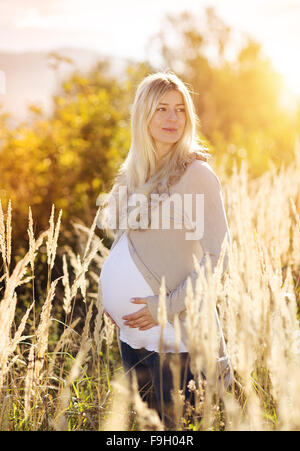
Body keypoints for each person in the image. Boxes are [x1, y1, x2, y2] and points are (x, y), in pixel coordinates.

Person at [97, 71, 233, 428]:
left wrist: (165, 306)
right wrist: (111, 299)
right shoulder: (131, 176)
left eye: (180, 110)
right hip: (133, 339)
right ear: (143, 115)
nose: (173, 118)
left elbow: (219, 258)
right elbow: (130, 246)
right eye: (162, 109)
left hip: (178, 341)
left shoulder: (197, 174)